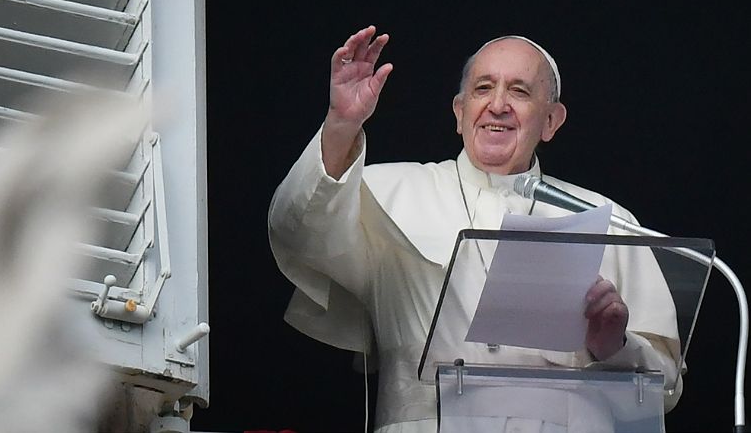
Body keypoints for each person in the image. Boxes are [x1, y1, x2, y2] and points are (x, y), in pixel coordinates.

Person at [268, 26, 684, 433]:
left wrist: (614, 346)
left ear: (552, 121)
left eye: (519, 91)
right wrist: (341, 124)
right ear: (459, 111)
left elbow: (665, 387)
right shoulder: (386, 192)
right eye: (483, 88)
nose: (498, 104)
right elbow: (298, 230)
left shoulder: (608, 221)